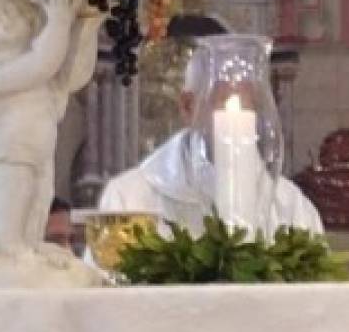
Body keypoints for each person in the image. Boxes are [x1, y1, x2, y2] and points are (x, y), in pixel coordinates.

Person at [98, 47, 323, 235]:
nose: (243, 122)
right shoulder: (129, 198)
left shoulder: (290, 206)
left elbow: (316, 286)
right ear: (188, 107)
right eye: (226, 105)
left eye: (250, 106)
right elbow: (102, 282)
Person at [0, 0, 103, 258]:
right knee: (16, 182)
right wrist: (59, 21)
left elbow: (71, 75)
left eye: (12, 11)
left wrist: (88, 21)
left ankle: (27, 244)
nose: (7, 19)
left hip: (39, 142)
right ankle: (10, 244)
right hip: (13, 145)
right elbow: (42, 64)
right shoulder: (4, 75)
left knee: (38, 191)